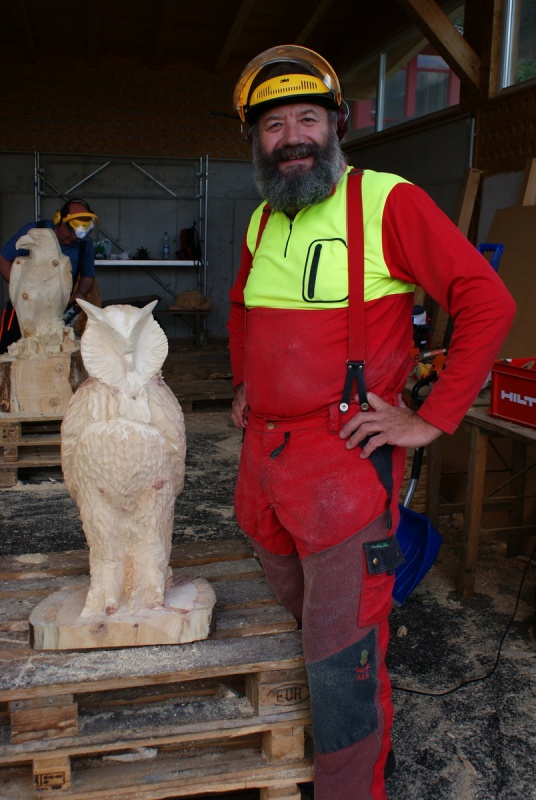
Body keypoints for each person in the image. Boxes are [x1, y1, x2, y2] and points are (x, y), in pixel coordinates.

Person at [227, 45, 516, 800]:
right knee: (303, 615)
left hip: (342, 462)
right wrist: (245, 380)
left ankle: (350, 789)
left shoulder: (385, 203)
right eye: (274, 125)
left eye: (308, 119)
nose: (292, 137)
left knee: (341, 653)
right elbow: (241, 307)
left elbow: (488, 301)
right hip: (265, 460)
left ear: (337, 126)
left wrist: (431, 417)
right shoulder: (263, 220)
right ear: (256, 141)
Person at [0, 198, 98, 352]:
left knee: (51, 351)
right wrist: (21, 290)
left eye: (80, 234)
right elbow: (3, 260)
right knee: (11, 349)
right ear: (59, 220)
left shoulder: (84, 244)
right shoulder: (34, 232)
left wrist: (80, 293)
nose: (75, 238)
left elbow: (88, 275)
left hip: (57, 310)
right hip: (24, 308)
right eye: (71, 231)